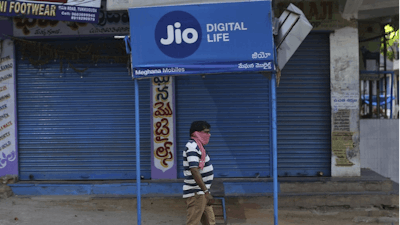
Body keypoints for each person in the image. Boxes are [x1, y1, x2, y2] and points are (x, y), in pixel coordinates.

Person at [183, 121, 216, 225]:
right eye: (205, 132)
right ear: (195, 133)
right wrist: (206, 191)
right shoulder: (192, 147)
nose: (209, 135)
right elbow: (194, 170)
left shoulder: (199, 147)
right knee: (193, 222)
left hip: (202, 192)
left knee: (210, 222)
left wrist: (206, 192)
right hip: (197, 193)